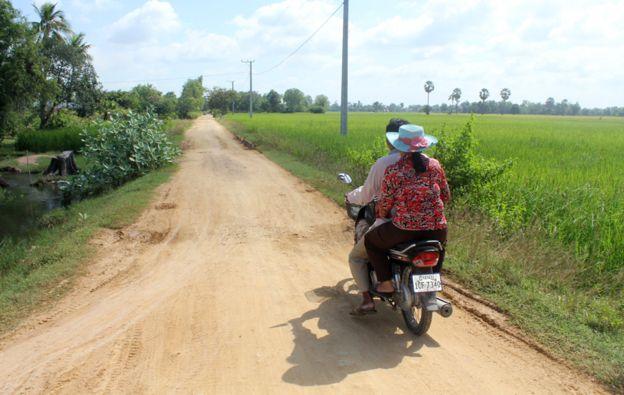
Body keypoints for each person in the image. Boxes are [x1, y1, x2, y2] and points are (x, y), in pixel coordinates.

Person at [364, 124, 450, 294]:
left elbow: (386, 202)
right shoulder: (435, 166)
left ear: (399, 147)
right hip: (437, 229)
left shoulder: (394, 170)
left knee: (371, 242)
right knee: (439, 246)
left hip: (404, 229)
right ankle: (433, 280)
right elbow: (446, 195)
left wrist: (381, 213)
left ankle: (386, 283)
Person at [346, 118, 409, 315]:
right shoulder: (429, 163)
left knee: (357, 256)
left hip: (393, 224)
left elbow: (367, 194)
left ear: (389, 140)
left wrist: (350, 196)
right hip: (431, 225)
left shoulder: (386, 164)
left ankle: (367, 299)